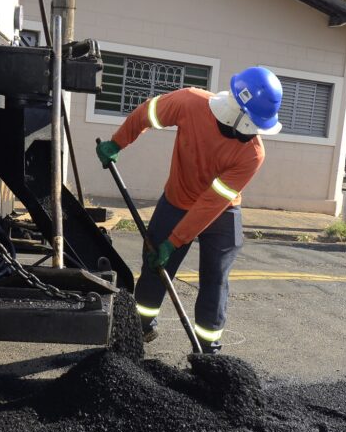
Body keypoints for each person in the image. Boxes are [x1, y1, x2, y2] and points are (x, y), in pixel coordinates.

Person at [95, 67, 282, 354]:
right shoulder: (189, 102)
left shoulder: (252, 153)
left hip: (222, 212)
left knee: (215, 278)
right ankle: (138, 329)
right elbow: (147, 113)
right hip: (176, 200)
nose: (257, 132)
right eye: (255, 123)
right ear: (237, 113)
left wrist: (175, 240)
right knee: (155, 266)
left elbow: (210, 203)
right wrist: (117, 141)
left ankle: (208, 349)